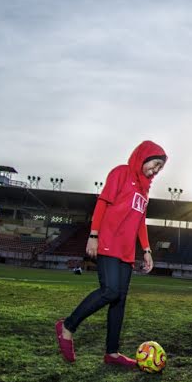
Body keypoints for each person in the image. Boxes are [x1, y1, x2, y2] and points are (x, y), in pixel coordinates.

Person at [55, 141, 167, 368]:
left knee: (120, 300)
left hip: (127, 251)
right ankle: (67, 326)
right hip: (108, 242)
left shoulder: (145, 189)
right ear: (143, 157)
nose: (155, 171)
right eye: (154, 165)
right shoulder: (121, 173)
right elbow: (102, 204)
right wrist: (93, 235)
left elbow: (140, 223)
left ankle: (112, 353)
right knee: (110, 291)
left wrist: (146, 249)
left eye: (159, 169)